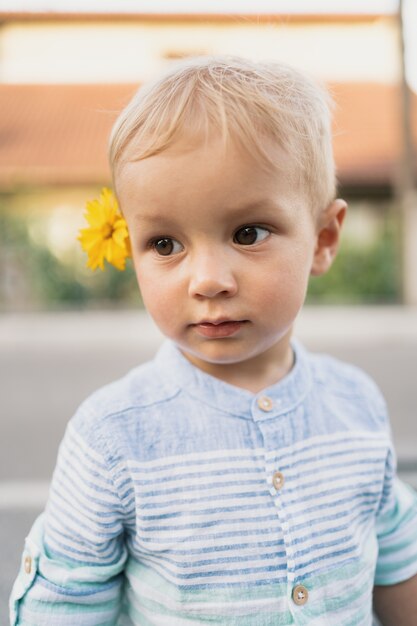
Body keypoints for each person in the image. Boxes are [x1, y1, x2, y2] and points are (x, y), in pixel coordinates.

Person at [10, 56, 417, 626]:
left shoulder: (355, 405)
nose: (206, 280)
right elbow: (64, 606)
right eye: (165, 243)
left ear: (323, 239)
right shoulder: (113, 438)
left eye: (248, 234)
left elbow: (397, 555)